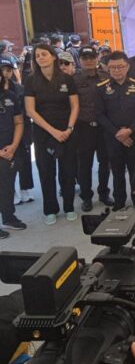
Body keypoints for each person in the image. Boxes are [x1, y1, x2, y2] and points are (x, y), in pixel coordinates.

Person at [24, 44, 79, 225]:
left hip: (66, 132)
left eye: (44, 54)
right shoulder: (31, 80)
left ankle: (69, 207)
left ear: (53, 56)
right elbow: (30, 111)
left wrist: (69, 128)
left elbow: (75, 106)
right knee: (46, 172)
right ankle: (50, 209)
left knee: (68, 171)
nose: (40, 57)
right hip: (43, 133)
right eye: (37, 55)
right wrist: (53, 131)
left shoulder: (66, 79)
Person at [95, 51, 135, 211]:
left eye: (120, 66)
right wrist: (117, 133)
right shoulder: (101, 88)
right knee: (117, 171)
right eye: (113, 67)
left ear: (127, 67)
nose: (117, 70)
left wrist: (130, 130)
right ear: (108, 68)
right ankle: (119, 203)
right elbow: (99, 114)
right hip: (113, 138)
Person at [74, 46, 113, 212]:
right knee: (84, 165)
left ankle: (104, 193)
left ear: (97, 58)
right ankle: (86, 197)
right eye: (85, 57)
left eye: (92, 57)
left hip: (103, 127)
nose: (89, 60)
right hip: (84, 127)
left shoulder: (106, 76)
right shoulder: (74, 79)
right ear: (80, 60)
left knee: (105, 162)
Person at [1, 55, 33, 205]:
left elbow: (26, 112)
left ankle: (25, 189)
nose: (5, 73)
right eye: (3, 70)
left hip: (22, 131)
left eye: (8, 70)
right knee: (7, 167)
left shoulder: (19, 89)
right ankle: (12, 193)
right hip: (4, 134)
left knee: (24, 162)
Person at [0, 59, 25, 235]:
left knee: (7, 186)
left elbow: (19, 122)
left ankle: (8, 217)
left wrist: (14, 146)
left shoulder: (11, 96)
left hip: (10, 149)